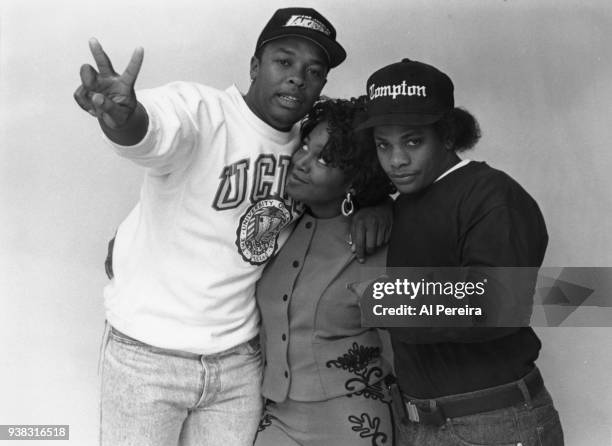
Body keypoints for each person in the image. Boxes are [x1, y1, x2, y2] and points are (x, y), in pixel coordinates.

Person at [73, 8, 389, 446]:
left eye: (313, 71)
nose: (297, 77)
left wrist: (378, 206)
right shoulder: (202, 110)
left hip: (239, 364)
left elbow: (349, 175)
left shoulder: (308, 145)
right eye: (284, 61)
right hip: (148, 355)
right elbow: (152, 133)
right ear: (255, 66)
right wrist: (123, 118)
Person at [357, 59, 564, 445]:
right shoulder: (404, 200)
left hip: (492, 423)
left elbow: (497, 302)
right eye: (383, 144)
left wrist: (386, 300)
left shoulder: (492, 195)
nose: (396, 160)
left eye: (413, 141)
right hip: (418, 422)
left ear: (448, 136)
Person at [253, 97, 395, 446]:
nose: (301, 163)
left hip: (354, 422)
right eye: (305, 147)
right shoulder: (278, 223)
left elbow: (406, 346)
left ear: (354, 181)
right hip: (277, 413)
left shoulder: (376, 245)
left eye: (324, 159)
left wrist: (388, 208)